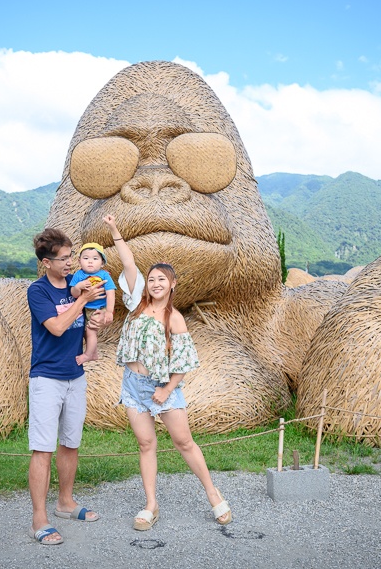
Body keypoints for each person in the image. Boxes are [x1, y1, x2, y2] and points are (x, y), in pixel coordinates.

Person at [104, 213, 233, 531]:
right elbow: (129, 263)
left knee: (184, 442)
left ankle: (213, 493)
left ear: (172, 284)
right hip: (133, 385)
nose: (156, 283)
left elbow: (185, 361)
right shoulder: (135, 304)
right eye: (152, 279)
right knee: (146, 444)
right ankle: (150, 505)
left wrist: (166, 389)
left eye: (162, 279)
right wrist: (116, 231)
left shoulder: (174, 318)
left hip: (163, 387)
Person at [26, 228, 106, 545]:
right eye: (63, 258)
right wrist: (83, 299)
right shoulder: (38, 291)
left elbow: (82, 320)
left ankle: (65, 503)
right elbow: (58, 327)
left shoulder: (77, 286)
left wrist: (95, 321)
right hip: (46, 377)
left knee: (71, 443)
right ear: (47, 262)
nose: (71, 262)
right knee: (43, 449)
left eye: (71, 255)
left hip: (76, 375)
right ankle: (39, 519)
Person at [69, 242, 117, 365]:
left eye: (95, 259)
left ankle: (88, 354)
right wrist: (78, 286)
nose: (90, 261)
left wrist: (109, 312)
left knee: (91, 331)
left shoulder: (104, 275)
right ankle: (94, 353)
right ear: (79, 261)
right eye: (86, 258)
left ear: (102, 262)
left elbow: (110, 293)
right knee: (85, 331)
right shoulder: (78, 275)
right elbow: (74, 293)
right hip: (84, 308)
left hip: (99, 308)